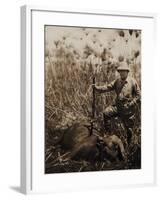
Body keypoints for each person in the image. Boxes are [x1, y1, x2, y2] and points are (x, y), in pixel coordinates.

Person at [93, 61, 140, 144]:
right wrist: (97, 88)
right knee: (106, 113)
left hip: (128, 110)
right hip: (117, 107)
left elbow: (139, 95)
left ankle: (129, 145)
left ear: (127, 72)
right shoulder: (117, 81)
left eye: (123, 71)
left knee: (129, 130)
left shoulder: (132, 81)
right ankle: (110, 135)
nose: (121, 73)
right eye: (120, 71)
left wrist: (132, 103)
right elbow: (107, 87)